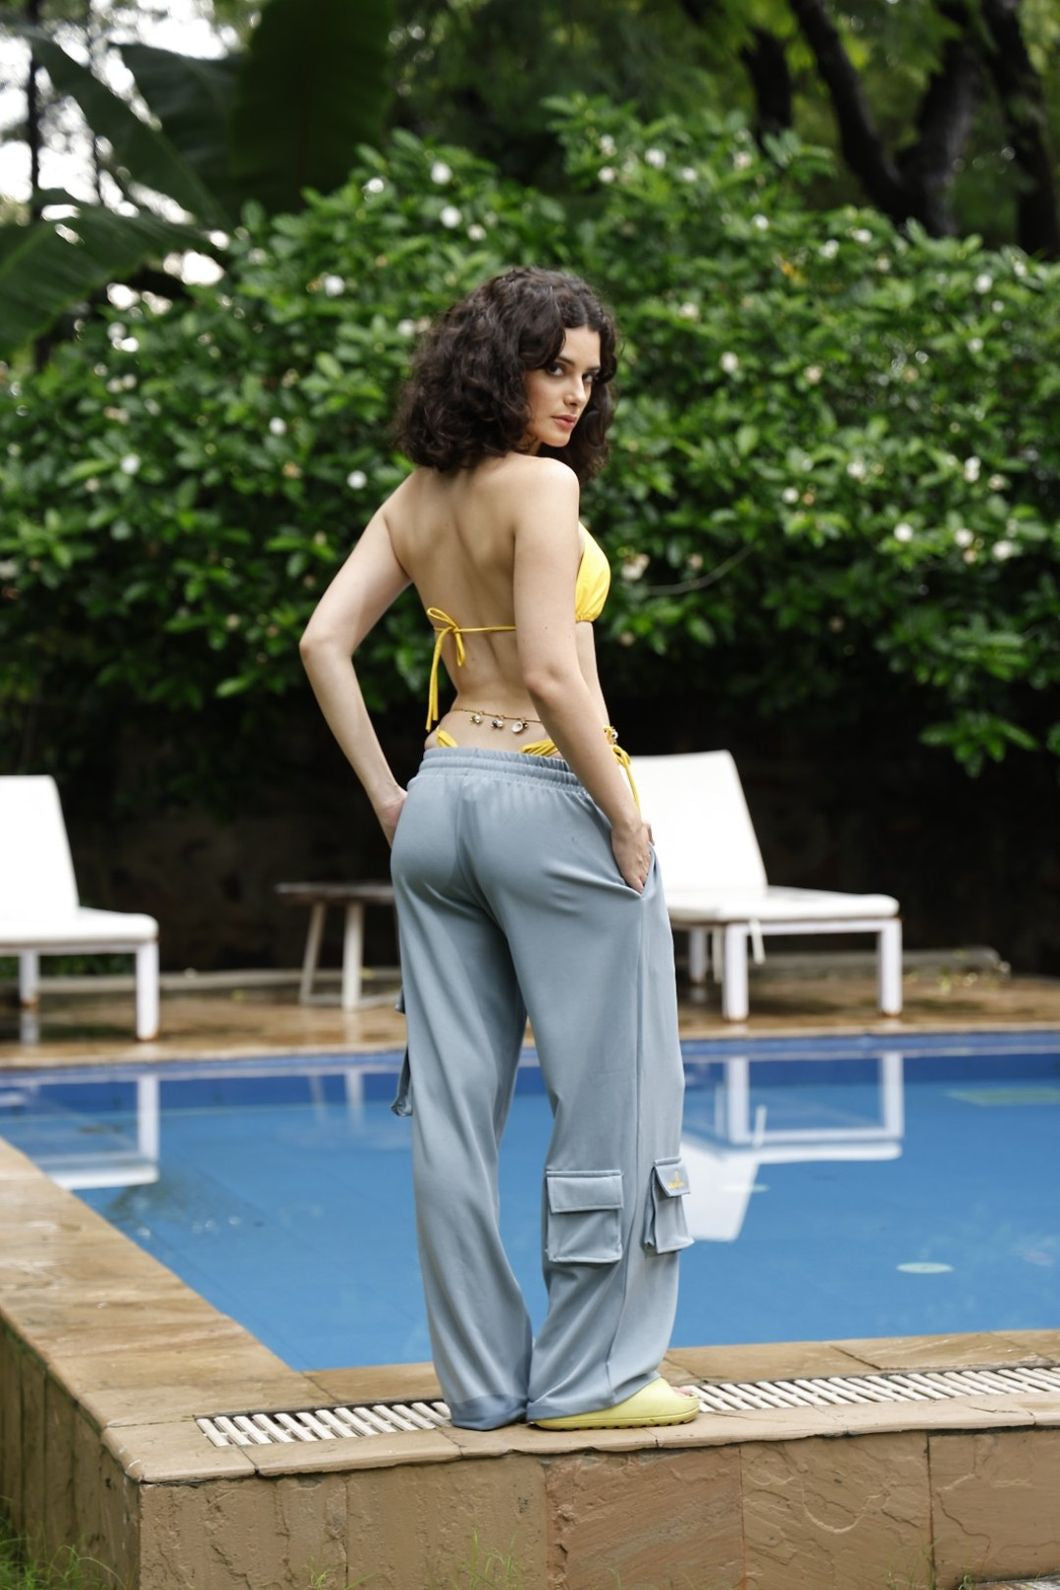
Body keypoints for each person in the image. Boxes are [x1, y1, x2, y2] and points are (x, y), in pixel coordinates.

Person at [299, 265, 698, 1432]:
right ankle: (591, 1379)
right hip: (544, 792)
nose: (575, 395)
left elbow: (324, 642)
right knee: (613, 1098)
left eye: (588, 375)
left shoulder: (415, 499)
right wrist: (623, 814)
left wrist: (387, 798)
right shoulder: (542, 491)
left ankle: (480, 1383)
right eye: (554, 367)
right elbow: (550, 669)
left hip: (440, 799)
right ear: (499, 364)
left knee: (453, 1109)